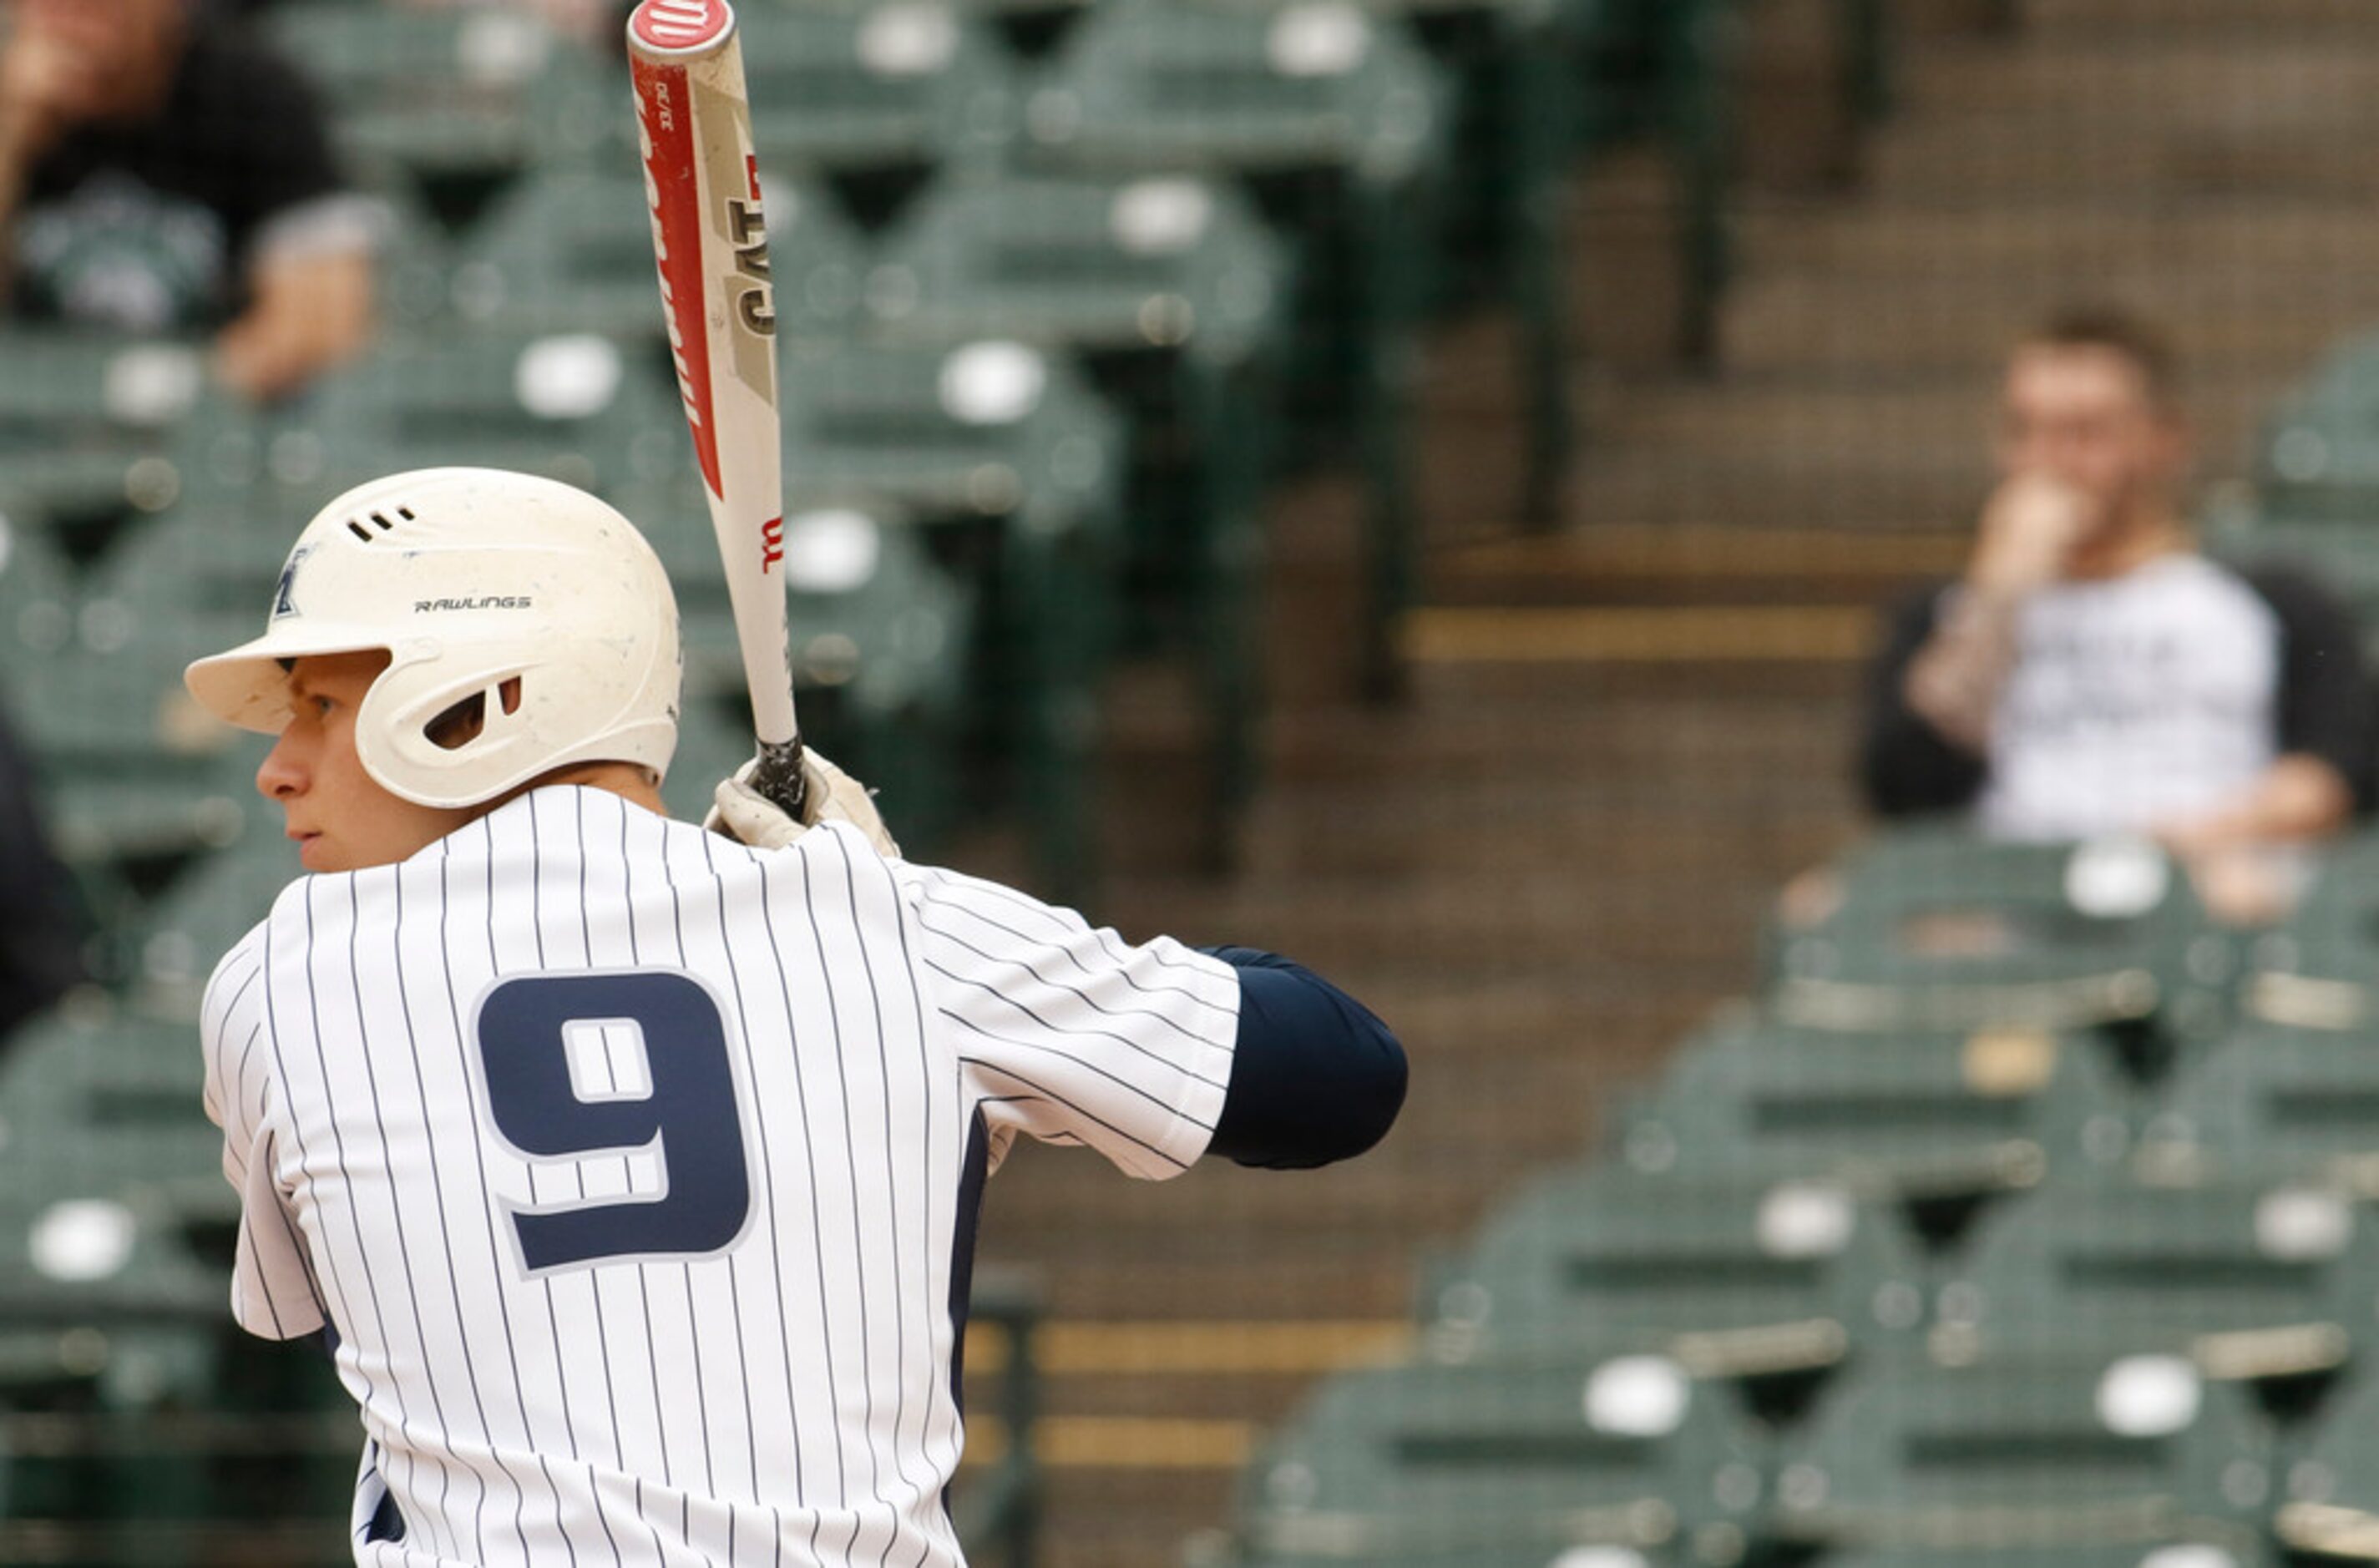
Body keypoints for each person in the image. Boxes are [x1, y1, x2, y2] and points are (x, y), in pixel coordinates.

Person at [184, 468, 1405, 1565]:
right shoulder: (882, 928)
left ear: (478, 700)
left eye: (321, 707)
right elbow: (1339, 1078)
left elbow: (340, 1302)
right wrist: (894, 948)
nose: (276, 766)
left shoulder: (275, 981)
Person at [1860, 306, 2375, 921]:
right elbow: (1902, 789)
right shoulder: (1947, 615)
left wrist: (2169, 848)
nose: (2048, 460)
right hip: (2007, 906)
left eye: (2083, 432)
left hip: (2208, 899)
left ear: (2164, 438)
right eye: (2024, 431)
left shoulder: (2268, 598)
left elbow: (2334, 775)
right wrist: (1999, 594)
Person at [0, 0, 377, 400]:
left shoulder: (251, 92)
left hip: (216, 426)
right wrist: (11, 135)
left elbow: (323, 315)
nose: (74, 20)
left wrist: (189, 388)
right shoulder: (11, 104)